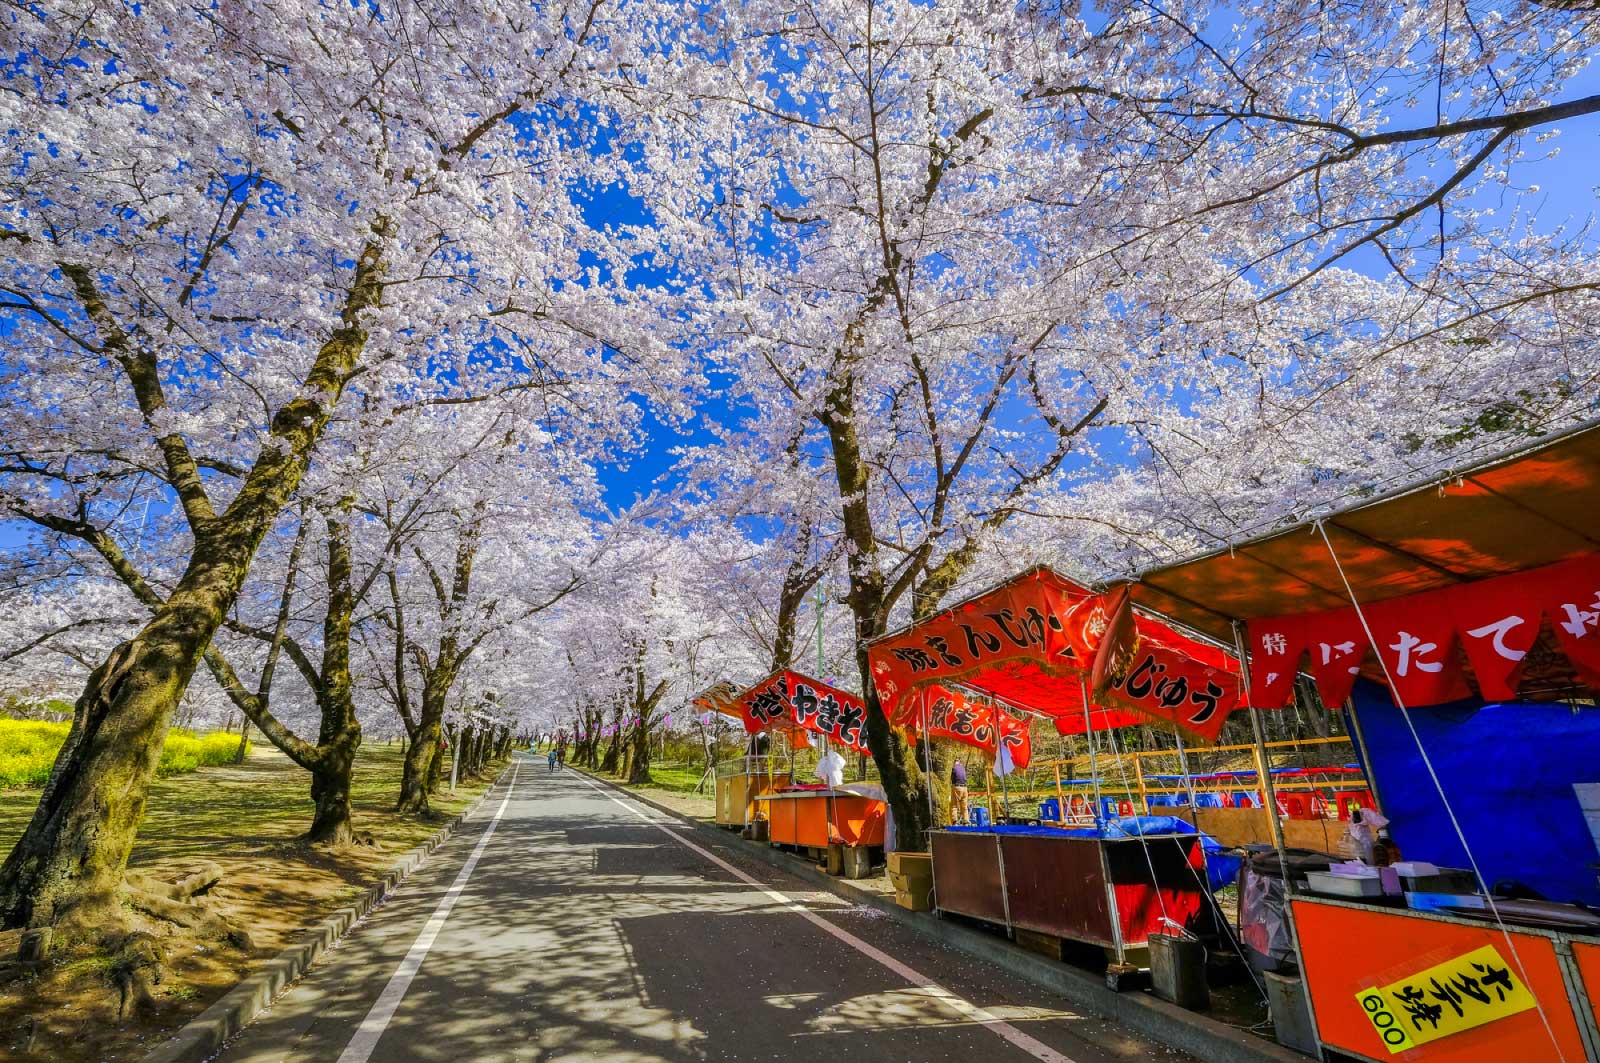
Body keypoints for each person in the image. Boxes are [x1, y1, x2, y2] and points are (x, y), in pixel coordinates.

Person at [950, 759, 969, 826]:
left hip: (957, 787)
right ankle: (966, 822)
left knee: (954, 805)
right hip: (965, 788)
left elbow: (952, 779)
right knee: (964, 806)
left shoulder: (954, 768)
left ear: (954, 762)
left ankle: (954, 822)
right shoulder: (963, 768)